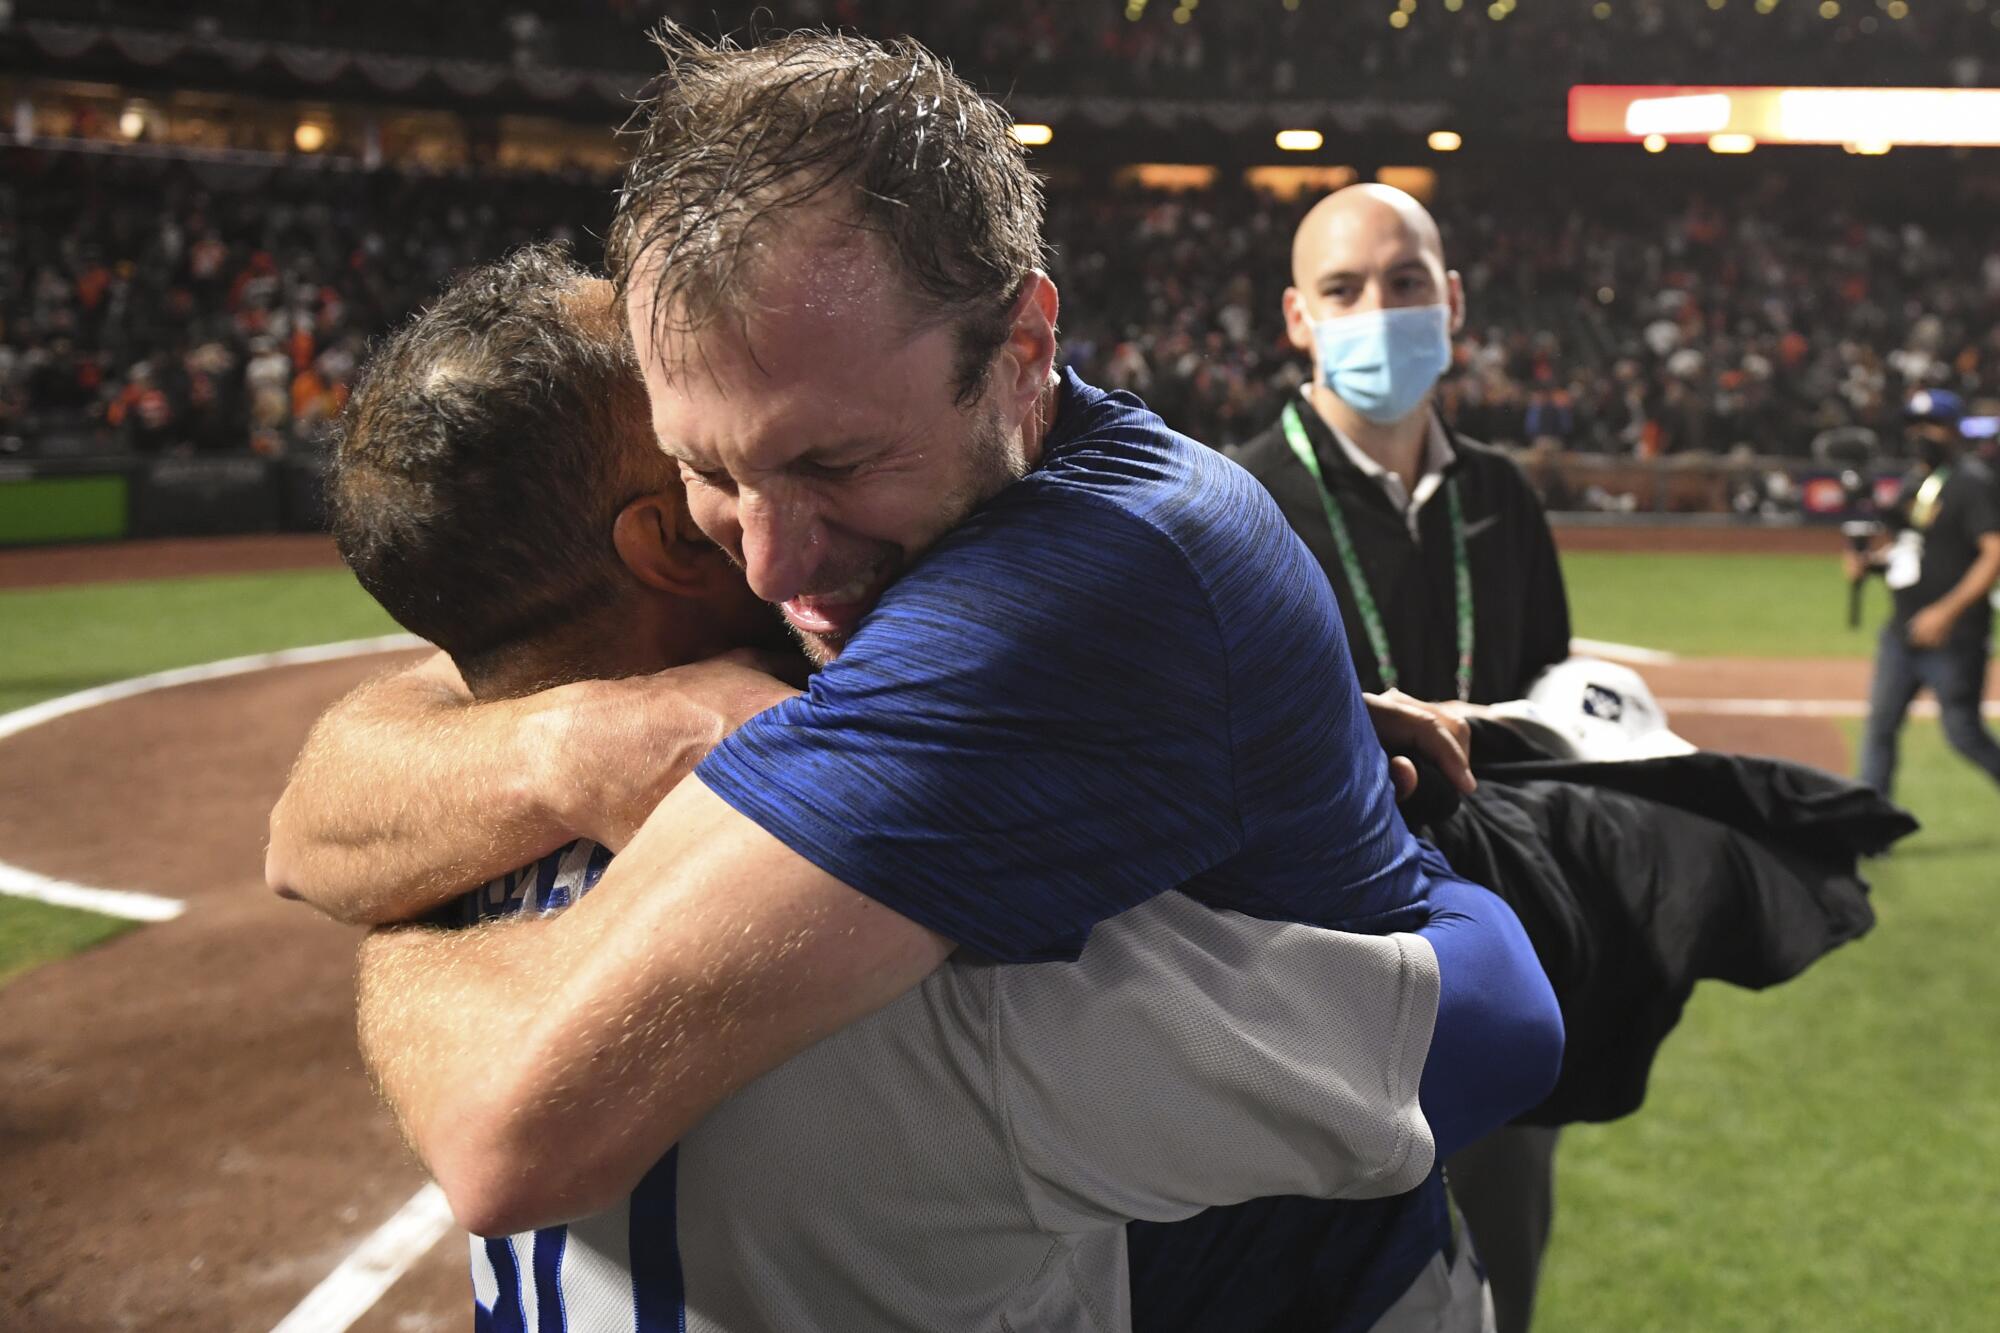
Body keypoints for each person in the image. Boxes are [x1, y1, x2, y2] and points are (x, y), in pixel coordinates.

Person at [268, 28, 1560, 1326]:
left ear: (1024, 347)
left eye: (832, 463)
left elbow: (511, 1129)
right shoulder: (899, 520)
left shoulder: (1061, 606)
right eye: (705, 475)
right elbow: (310, 821)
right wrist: (594, 738)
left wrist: (407, 926)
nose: (773, 563)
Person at [1222, 184, 1574, 1333]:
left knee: (1504, 1249)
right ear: (1293, 316)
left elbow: (1553, 701)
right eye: (1341, 288)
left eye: (1405, 281)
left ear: (1452, 300)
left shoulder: (1500, 497)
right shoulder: (1231, 503)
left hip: (1493, 942)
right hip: (1305, 972)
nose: (1377, 309)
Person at [1851, 388, 2000, 798]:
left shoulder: (1972, 484)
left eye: (1931, 425)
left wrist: (1945, 613)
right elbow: (1906, 545)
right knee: (1880, 729)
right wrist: (1868, 563)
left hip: (1955, 637)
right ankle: (1869, 833)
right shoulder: (1914, 483)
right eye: (1914, 426)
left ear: (1953, 430)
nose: (1921, 435)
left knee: (1964, 735)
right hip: (1902, 632)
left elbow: (1994, 554)